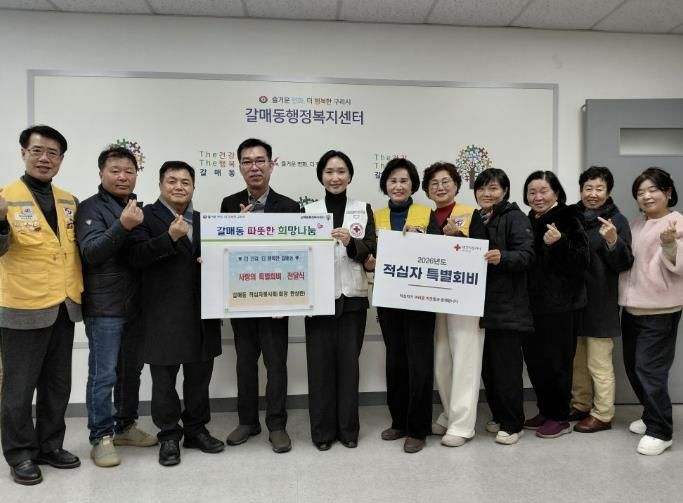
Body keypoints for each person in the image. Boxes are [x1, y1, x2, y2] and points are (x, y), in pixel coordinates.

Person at [0, 125, 82, 485]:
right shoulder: (5, 197)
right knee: (18, 388)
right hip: (22, 306)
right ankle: (20, 453)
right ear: (23, 153)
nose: (44, 158)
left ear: (61, 159)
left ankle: (50, 445)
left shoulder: (69, 200)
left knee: (57, 384)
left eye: (53, 153)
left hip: (64, 305)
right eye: (37, 151)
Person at [128, 161, 224, 466]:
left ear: (194, 187)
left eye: (186, 182)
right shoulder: (144, 216)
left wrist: (238, 232)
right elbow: (135, 257)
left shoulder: (206, 220)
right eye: (172, 181)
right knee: (164, 382)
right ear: (160, 185)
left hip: (203, 313)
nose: (179, 186)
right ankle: (169, 435)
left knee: (199, 378)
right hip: (162, 314)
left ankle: (196, 430)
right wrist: (169, 237)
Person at [76, 146, 158, 468]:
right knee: (103, 374)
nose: (123, 176)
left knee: (130, 371)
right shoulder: (90, 208)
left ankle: (125, 426)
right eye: (115, 171)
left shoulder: (136, 208)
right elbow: (92, 253)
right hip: (104, 306)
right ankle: (101, 437)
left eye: (129, 171)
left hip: (136, 304)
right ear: (101, 174)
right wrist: (122, 226)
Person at [220, 138, 300, 454]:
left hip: (276, 300)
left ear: (271, 165)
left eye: (260, 161)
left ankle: (277, 425)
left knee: (276, 364)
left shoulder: (289, 206)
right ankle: (247, 421)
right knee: (244, 363)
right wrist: (240, 227)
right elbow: (223, 251)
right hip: (242, 298)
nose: (254, 167)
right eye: (247, 161)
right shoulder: (229, 204)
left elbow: (295, 257)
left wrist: (287, 300)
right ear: (239, 167)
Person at [364, 158, 439, 454]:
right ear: (385, 184)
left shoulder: (426, 214)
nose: (398, 186)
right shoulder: (376, 215)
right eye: (393, 180)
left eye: (404, 181)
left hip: (421, 299)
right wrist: (369, 261)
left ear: (413, 185)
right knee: (395, 360)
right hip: (389, 298)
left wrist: (424, 240)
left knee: (419, 363)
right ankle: (399, 422)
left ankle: (418, 429)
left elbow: (441, 253)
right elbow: (369, 252)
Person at [303, 150, 376, 451]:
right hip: (318, 300)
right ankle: (322, 432)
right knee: (319, 368)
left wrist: (351, 242)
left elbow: (371, 247)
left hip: (353, 299)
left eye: (341, 171)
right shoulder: (308, 210)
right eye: (329, 172)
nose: (335, 177)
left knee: (348, 368)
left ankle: (348, 430)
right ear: (321, 176)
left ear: (350, 176)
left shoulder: (363, 209)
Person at [620, 167, 683, 456]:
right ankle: (650, 415)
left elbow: (679, 266)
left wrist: (669, 244)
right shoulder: (635, 225)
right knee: (633, 366)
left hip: (661, 310)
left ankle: (661, 431)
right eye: (640, 192)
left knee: (650, 369)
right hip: (632, 306)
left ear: (668, 192)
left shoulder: (677, 222)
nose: (646, 196)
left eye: (653, 190)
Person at [522, 170, 589, 439]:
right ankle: (545, 409)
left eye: (543, 191)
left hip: (562, 305)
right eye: (532, 192)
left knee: (557, 362)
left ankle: (560, 416)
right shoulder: (527, 219)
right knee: (536, 362)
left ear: (556, 193)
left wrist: (560, 243)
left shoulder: (568, 216)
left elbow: (582, 260)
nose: (537, 197)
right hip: (531, 305)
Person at [421, 162, 484, 448]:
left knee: (465, 360)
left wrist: (458, 237)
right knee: (442, 360)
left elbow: (482, 251)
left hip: (465, 297)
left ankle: (463, 425)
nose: (440, 187)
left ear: (457, 185)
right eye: (434, 183)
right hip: (436, 297)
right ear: (427, 190)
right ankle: (449, 413)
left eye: (446, 181)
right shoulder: (425, 217)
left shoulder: (471, 214)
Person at [473, 168, 535, 445]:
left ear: (505, 191)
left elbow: (528, 255)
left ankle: (513, 424)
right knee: (489, 368)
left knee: (506, 369)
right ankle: (499, 416)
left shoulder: (515, 217)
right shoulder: (477, 217)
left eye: (493, 188)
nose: (487, 193)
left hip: (508, 307)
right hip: (482, 305)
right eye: (482, 188)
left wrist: (504, 256)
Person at [570, 166, 633, 433]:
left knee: (598, 362)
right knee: (577, 360)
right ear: (581, 190)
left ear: (608, 192)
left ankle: (603, 414)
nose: (593, 194)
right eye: (588, 188)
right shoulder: (571, 217)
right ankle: (580, 404)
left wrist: (613, 241)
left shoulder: (617, 220)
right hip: (573, 300)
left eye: (599, 188)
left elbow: (624, 263)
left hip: (601, 301)